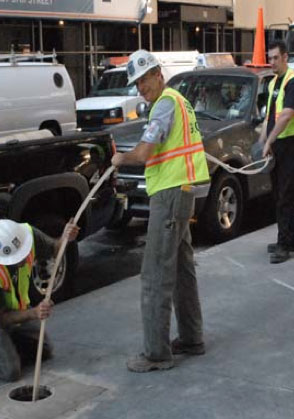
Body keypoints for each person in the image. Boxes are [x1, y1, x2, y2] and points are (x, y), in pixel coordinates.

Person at [112, 50, 210, 373]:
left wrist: (120, 159)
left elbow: (146, 150)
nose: (141, 87)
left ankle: (156, 353)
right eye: (136, 83)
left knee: (155, 273)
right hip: (180, 192)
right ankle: (192, 338)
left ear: (158, 73)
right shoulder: (178, 102)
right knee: (182, 268)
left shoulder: (165, 104)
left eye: (143, 79)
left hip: (170, 195)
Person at [0, 218, 79, 381]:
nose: (23, 260)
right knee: (10, 371)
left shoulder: (26, 234)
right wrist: (34, 313)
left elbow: (54, 250)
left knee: (44, 350)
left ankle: (4, 343)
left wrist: (65, 238)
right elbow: (2, 318)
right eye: (17, 258)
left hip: (18, 307)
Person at [258, 40, 294, 264]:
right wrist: (262, 139)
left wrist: (269, 140)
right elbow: (271, 115)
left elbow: (287, 114)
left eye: (275, 58)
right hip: (278, 144)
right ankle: (289, 240)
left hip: (291, 145)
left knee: (285, 195)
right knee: (279, 194)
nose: (271, 62)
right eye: (269, 58)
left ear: (285, 57)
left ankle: (284, 244)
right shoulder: (274, 83)